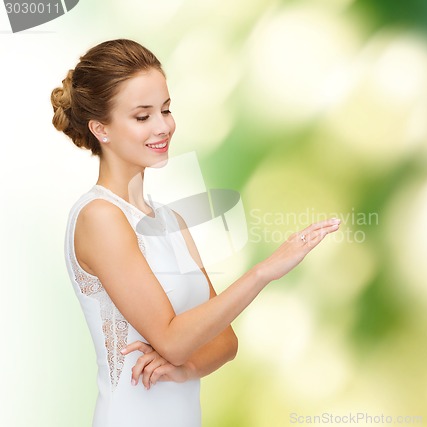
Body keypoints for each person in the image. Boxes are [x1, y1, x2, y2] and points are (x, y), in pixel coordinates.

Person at [51, 38, 341, 427]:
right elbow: (172, 338)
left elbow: (225, 341)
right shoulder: (98, 216)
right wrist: (263, 272)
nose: (163, 126)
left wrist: (185, 368)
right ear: (101, 128)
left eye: (166, 110)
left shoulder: (171, 221)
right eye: (142, 116)